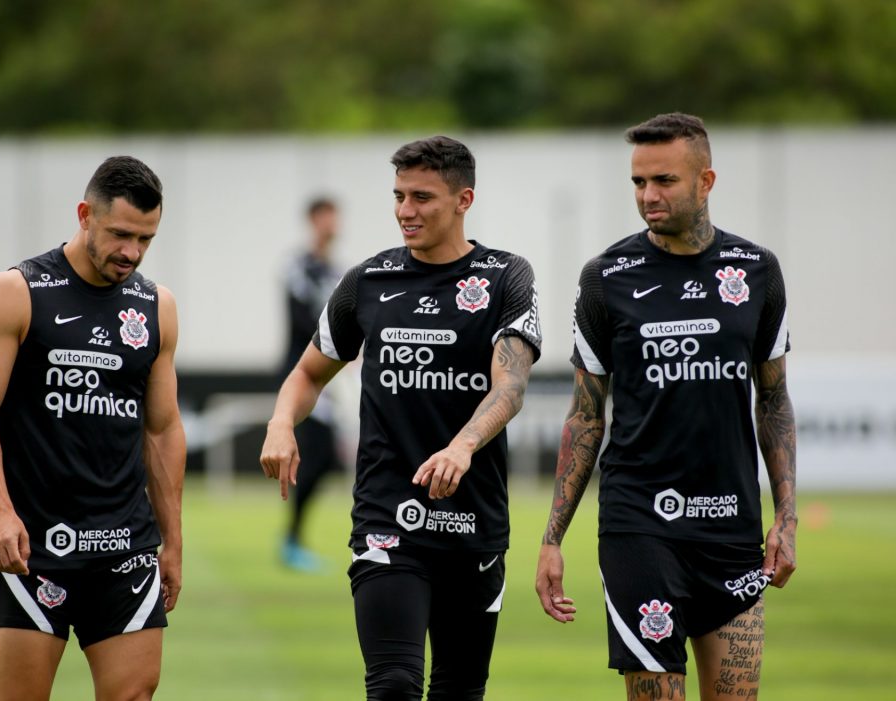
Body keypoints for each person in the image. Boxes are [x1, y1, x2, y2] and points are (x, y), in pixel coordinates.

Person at [261, 135, 545, 700]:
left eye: (422, 198)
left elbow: (509, 386)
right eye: (398, 196)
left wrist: (462, 447)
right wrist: (280, 423)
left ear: (464, 199)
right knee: (392, 685)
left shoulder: (507, 277)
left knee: (459, 690)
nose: (405, 212)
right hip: (387, 519)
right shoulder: (367, 282)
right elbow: (308, 373)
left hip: (474, 523)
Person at [535, 113, 797, 700]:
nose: (648, 196)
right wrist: (553, 539)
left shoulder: (757, 272)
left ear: (706, 181)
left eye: (664, 181)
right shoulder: (606, 278)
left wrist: (787, 516)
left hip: (731, 524)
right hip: (639, 524)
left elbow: (774, 399)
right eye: (638, 182)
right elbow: (585, 415)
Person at [0, 156, 185, 701]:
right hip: (33, 548)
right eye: (121, 234)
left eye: (146, 240)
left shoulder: (156, 306)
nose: (131, 252)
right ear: (85, 215)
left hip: (125, 546)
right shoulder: (17, 291)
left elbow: (162, 430)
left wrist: (173, 541)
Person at [278, 196, 346, 571]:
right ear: (312, 220)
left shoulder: (337, 272)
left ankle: (292, 539)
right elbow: (303, 321)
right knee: (316, 456)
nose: (332, 223)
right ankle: (291, 541)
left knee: (324, 460)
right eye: (326, 216)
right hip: (301, 374)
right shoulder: (298, 267)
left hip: (329, 378)